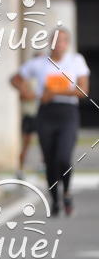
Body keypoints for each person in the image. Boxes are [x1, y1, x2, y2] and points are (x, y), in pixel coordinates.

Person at [11, 28, 90, 215]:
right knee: (49, 160)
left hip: (68, 113)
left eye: (63, 40)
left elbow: (83, 91)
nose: (59, 44)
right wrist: (27, 92)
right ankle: (55, 199)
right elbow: (15, 79)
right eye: (55, 40)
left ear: (67, 43)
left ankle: (67, 191)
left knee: (63, 157)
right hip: (46, 114)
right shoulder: (39, 64)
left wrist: (54, 92)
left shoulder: (76, 61)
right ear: (50, 43)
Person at [14, 51, 41, 179]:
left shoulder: (45, 77)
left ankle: (44, 166)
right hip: (30, 115)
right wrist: (35, 95)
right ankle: (20, 169)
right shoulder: (27, 80)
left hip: (42, 114)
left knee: (46, 143)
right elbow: (22, 96)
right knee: (26, 144)